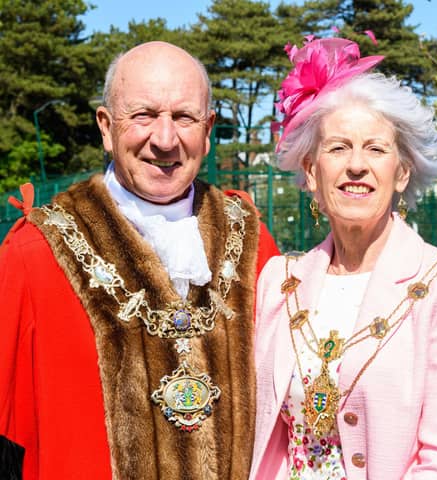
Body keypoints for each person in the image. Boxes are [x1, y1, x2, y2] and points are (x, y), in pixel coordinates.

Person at [0, 41, 280, 479]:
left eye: (184, 117)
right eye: (144, 115)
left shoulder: (253, 242)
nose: (164, 139)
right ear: (107, 127)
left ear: (207, 131)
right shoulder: (33, 255)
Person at [250, 37, 437, 479]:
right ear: (310, 171)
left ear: (402, 172)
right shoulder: (277, 279)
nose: (356, 165)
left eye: (376, 149)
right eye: (338, 147)